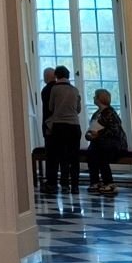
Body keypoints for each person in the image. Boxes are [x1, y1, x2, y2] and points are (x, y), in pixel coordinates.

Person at [43, 66, 83, 195]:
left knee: (63, 156)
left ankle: (65, 185)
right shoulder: (75, 90)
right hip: (74, 126)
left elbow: (51, 107)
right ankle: (75, 186)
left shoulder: (54, 89)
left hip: (60, 126)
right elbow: (78, 109)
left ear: (56, 75)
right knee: (74, 157)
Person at [83, 88, 128, 196]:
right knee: (92, 152)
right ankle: (95, 182)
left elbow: (114, 130)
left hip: (114, 143)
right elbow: (92, 128)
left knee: (101, 152)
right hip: (99, 143)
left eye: (95, 96)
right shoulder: (96, 114)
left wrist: (98, 134)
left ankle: (109, 183)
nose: (93, 98)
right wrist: (89, 135)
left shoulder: (110, 113)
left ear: (100, 99)